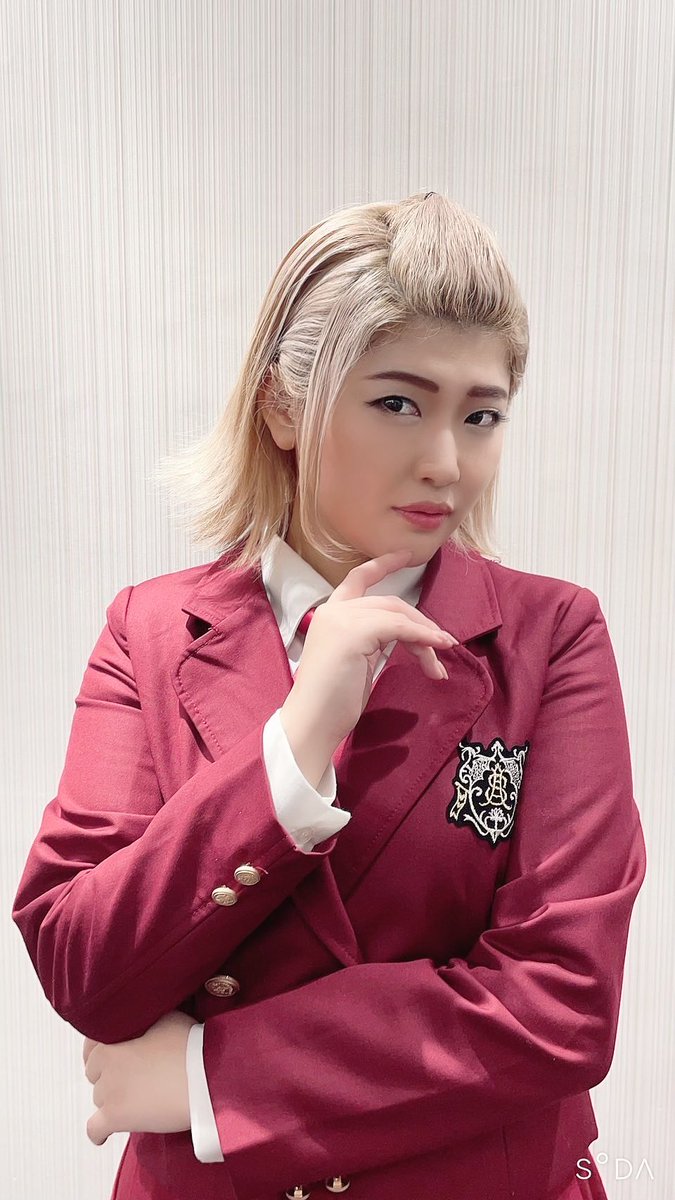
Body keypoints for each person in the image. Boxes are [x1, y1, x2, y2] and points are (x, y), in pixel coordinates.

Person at [12, 192, 646, 1200]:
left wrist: (208, 1078)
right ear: (282, 407)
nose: (446, 463)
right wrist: (296, 744)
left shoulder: (552, 635)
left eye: (480, 416)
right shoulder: (150, 632)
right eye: (398, 403)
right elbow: (81, 962)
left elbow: (561, 1006)